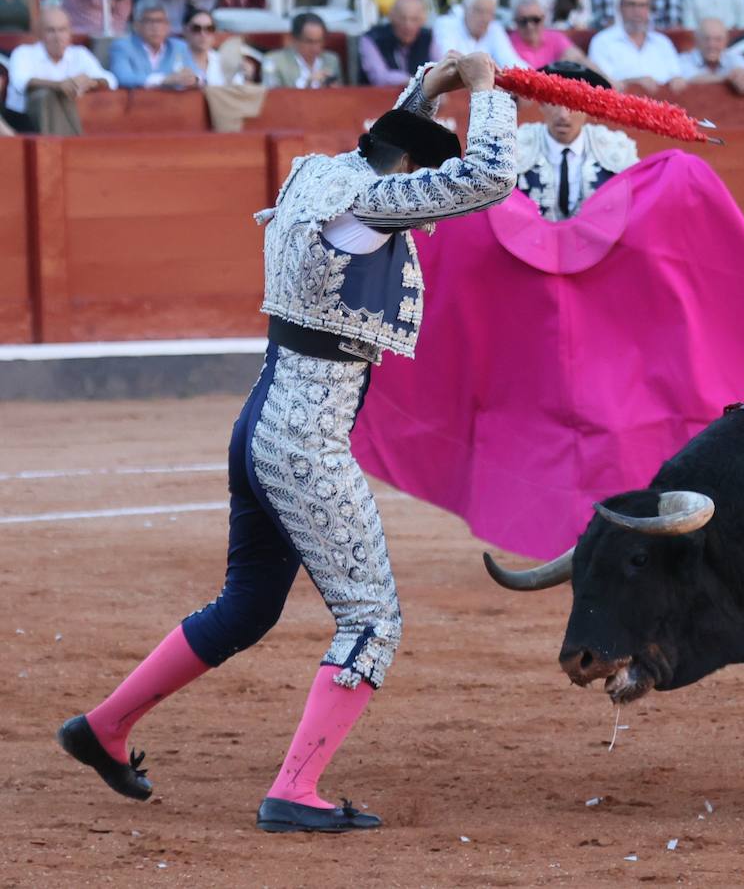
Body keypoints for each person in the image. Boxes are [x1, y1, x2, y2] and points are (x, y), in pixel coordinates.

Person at [56, 50, 518, 835]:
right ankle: (294, 791)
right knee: (371, 619)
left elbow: (392, 141)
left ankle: (102, 727)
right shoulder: (373, 203)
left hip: (259, 424)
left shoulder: (318, 176)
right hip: (305, 442)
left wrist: (427, 90)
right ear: (408, 169)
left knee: (247, 605)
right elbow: (491, 177)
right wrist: (486, 91)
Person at [514, 61, 639, 222]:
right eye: (554, 103)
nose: (563, 115)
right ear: (541, 104)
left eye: (573, 104)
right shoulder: (516, 144)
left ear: (587, 107)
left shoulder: (617, 148)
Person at [3, 5, 115, 133]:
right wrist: (59, 85)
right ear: (39, 34)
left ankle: (68, 141)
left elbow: (110, 80)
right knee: (48, 96)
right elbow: (20, 82)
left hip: (66, 118)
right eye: (51, 31)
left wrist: (89, 82)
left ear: (70, 33)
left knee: (62, 98)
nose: (58, 36)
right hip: (25, 121)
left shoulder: (79, 54)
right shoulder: (23, 52)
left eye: (62, 30)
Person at [588, 0, 686, 91]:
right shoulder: (602, 41)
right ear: (620, 7)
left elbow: (677, 77)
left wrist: (677, 80)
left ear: (649, 9)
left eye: (642, 5)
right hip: (623, 100)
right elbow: (602, 85)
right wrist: (634, 83)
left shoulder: (663, 42)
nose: (637, 11)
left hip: (664, 100)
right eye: (631, 5)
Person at [109, 0, 197, 89]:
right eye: (149, 21)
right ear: (136, 25)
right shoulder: (122, 47)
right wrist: (163, 80)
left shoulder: (179, 46)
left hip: (173, 98)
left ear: (168, 25)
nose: (155, 27)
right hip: (139, 98)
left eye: (160, 21)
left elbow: (198, 75)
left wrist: (192, 79)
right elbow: (122, 78)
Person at [433, 0, 527, 68]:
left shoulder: (494, 28)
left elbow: (511, 60)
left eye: (490, 12)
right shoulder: (446, 24)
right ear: (465, 8)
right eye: (479, 11)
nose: (485, 18)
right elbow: (449, 61)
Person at [358, 0, 440, 87]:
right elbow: (379, 78)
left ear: (422, 20)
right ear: (391, 17)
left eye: (414, 19)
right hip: (378, 95)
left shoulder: (428, 37)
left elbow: (439, 70)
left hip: (421, 94)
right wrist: (413, 80)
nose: (408, 25)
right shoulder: (372, 38)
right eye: (402, 18)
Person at [509, 0, 595, 70]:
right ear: (515, 21)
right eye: (523, 21)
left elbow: (581, 59)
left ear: (544, 18)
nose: (530, 26)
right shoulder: (508, 44)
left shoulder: (555, 38)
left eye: (535, 20)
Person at [262, 12, 343, 89]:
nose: (315, 47)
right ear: (294, 39)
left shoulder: (331, 60)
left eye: (320, 41)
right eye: (309, 42)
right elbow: (272, 95)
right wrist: (306, 84)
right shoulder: (274, 61)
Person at [679, 16, 744, 94]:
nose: (712, 45)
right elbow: (690, 79)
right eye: (706, 39)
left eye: (718, 39)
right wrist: (727, 78)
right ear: (697, 41)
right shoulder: (684, 60)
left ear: (726, 41)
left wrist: (742, 76)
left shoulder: (733, 57)